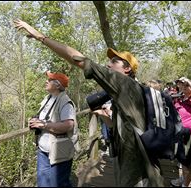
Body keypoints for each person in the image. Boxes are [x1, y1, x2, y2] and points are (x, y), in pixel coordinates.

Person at [14, 19, 164, 187]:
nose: (108, 64)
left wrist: (40, 37)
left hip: (140, 169)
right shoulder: (129, 93)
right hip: (132, 162)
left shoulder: (126, 84)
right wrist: (105, 117)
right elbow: (121, 127)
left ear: (127, 69)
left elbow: (79, 59)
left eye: (114, 61)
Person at [28, 71, 77, 187]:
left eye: (50, 80)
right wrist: (35, 122)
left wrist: (43, 125)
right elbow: (45, 119)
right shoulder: (47, 99)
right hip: (43, 150)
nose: (46, 81)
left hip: (59, 152)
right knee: (43, 184)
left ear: (58, 85)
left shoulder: (66, 102)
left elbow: (68, 125)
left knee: (58, 184)